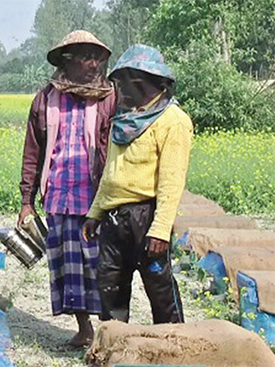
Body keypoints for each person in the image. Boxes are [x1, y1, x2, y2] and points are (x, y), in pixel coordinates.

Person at [18, 30, 116, 348]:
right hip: (59, 196)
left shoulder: (110, 98)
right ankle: (84, 327)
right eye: (85, 57)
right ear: (67, 61)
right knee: (68, 268)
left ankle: (109, 331)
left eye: (96, 57)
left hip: (97, 198)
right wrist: (26, 201)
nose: (92, 64)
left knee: (101, 266)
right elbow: (33, 151)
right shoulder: (46, 99)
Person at [82, 44, 192, 324]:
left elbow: (172, 181)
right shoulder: (124, 120)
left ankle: (173, 351)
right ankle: (115, 353)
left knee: (160, 291)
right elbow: (111, 174)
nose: (119, 88)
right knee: (110, 289)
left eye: (124, 82)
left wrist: (161, 230)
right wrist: (95, 213)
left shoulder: (173, 121)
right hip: (114, 219)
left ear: (142, 81)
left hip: (147, 217)